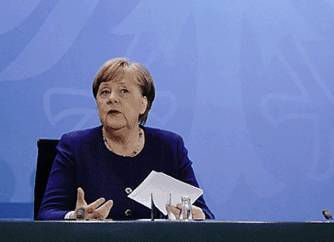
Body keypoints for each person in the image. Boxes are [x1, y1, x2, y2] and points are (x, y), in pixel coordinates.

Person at [38, 58, 214, 220]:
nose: (112, 99)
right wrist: (80, 215)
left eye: (124, 91)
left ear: (143, 104)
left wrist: (194, 215)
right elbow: (47, 213)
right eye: (104, 92)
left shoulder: (170, 147)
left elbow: (205, 215)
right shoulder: (75, 146)